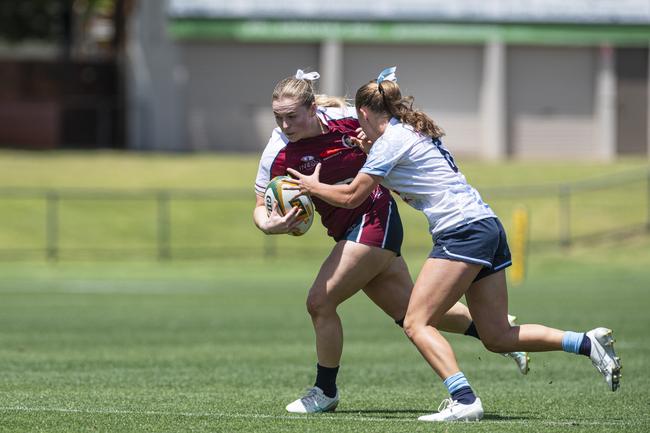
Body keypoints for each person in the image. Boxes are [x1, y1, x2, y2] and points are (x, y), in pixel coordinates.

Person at [287, 66, 622, 422]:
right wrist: (369, 147)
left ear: (365, 113)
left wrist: (312, 187)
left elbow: (352, 196)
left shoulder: (390, 143)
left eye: (360, 119)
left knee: (415, 322)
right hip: (486, 226)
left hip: (461, 231)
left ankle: (463, 399)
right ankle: (586, 342)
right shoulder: (407, 132)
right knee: (497, 335)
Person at [253, 69, 530, 414]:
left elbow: (384, 125)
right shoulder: (277, 150)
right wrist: (271, 225)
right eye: (278, 117)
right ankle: (503, 337)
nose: (285, 125)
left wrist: (369, 144)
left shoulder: (343, 119)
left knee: (319, 302)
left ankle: (324, 391)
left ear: (312, 109)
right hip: (346, 231)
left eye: (292, 116)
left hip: (373, 220)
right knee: (411, 313)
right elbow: (260, 205)